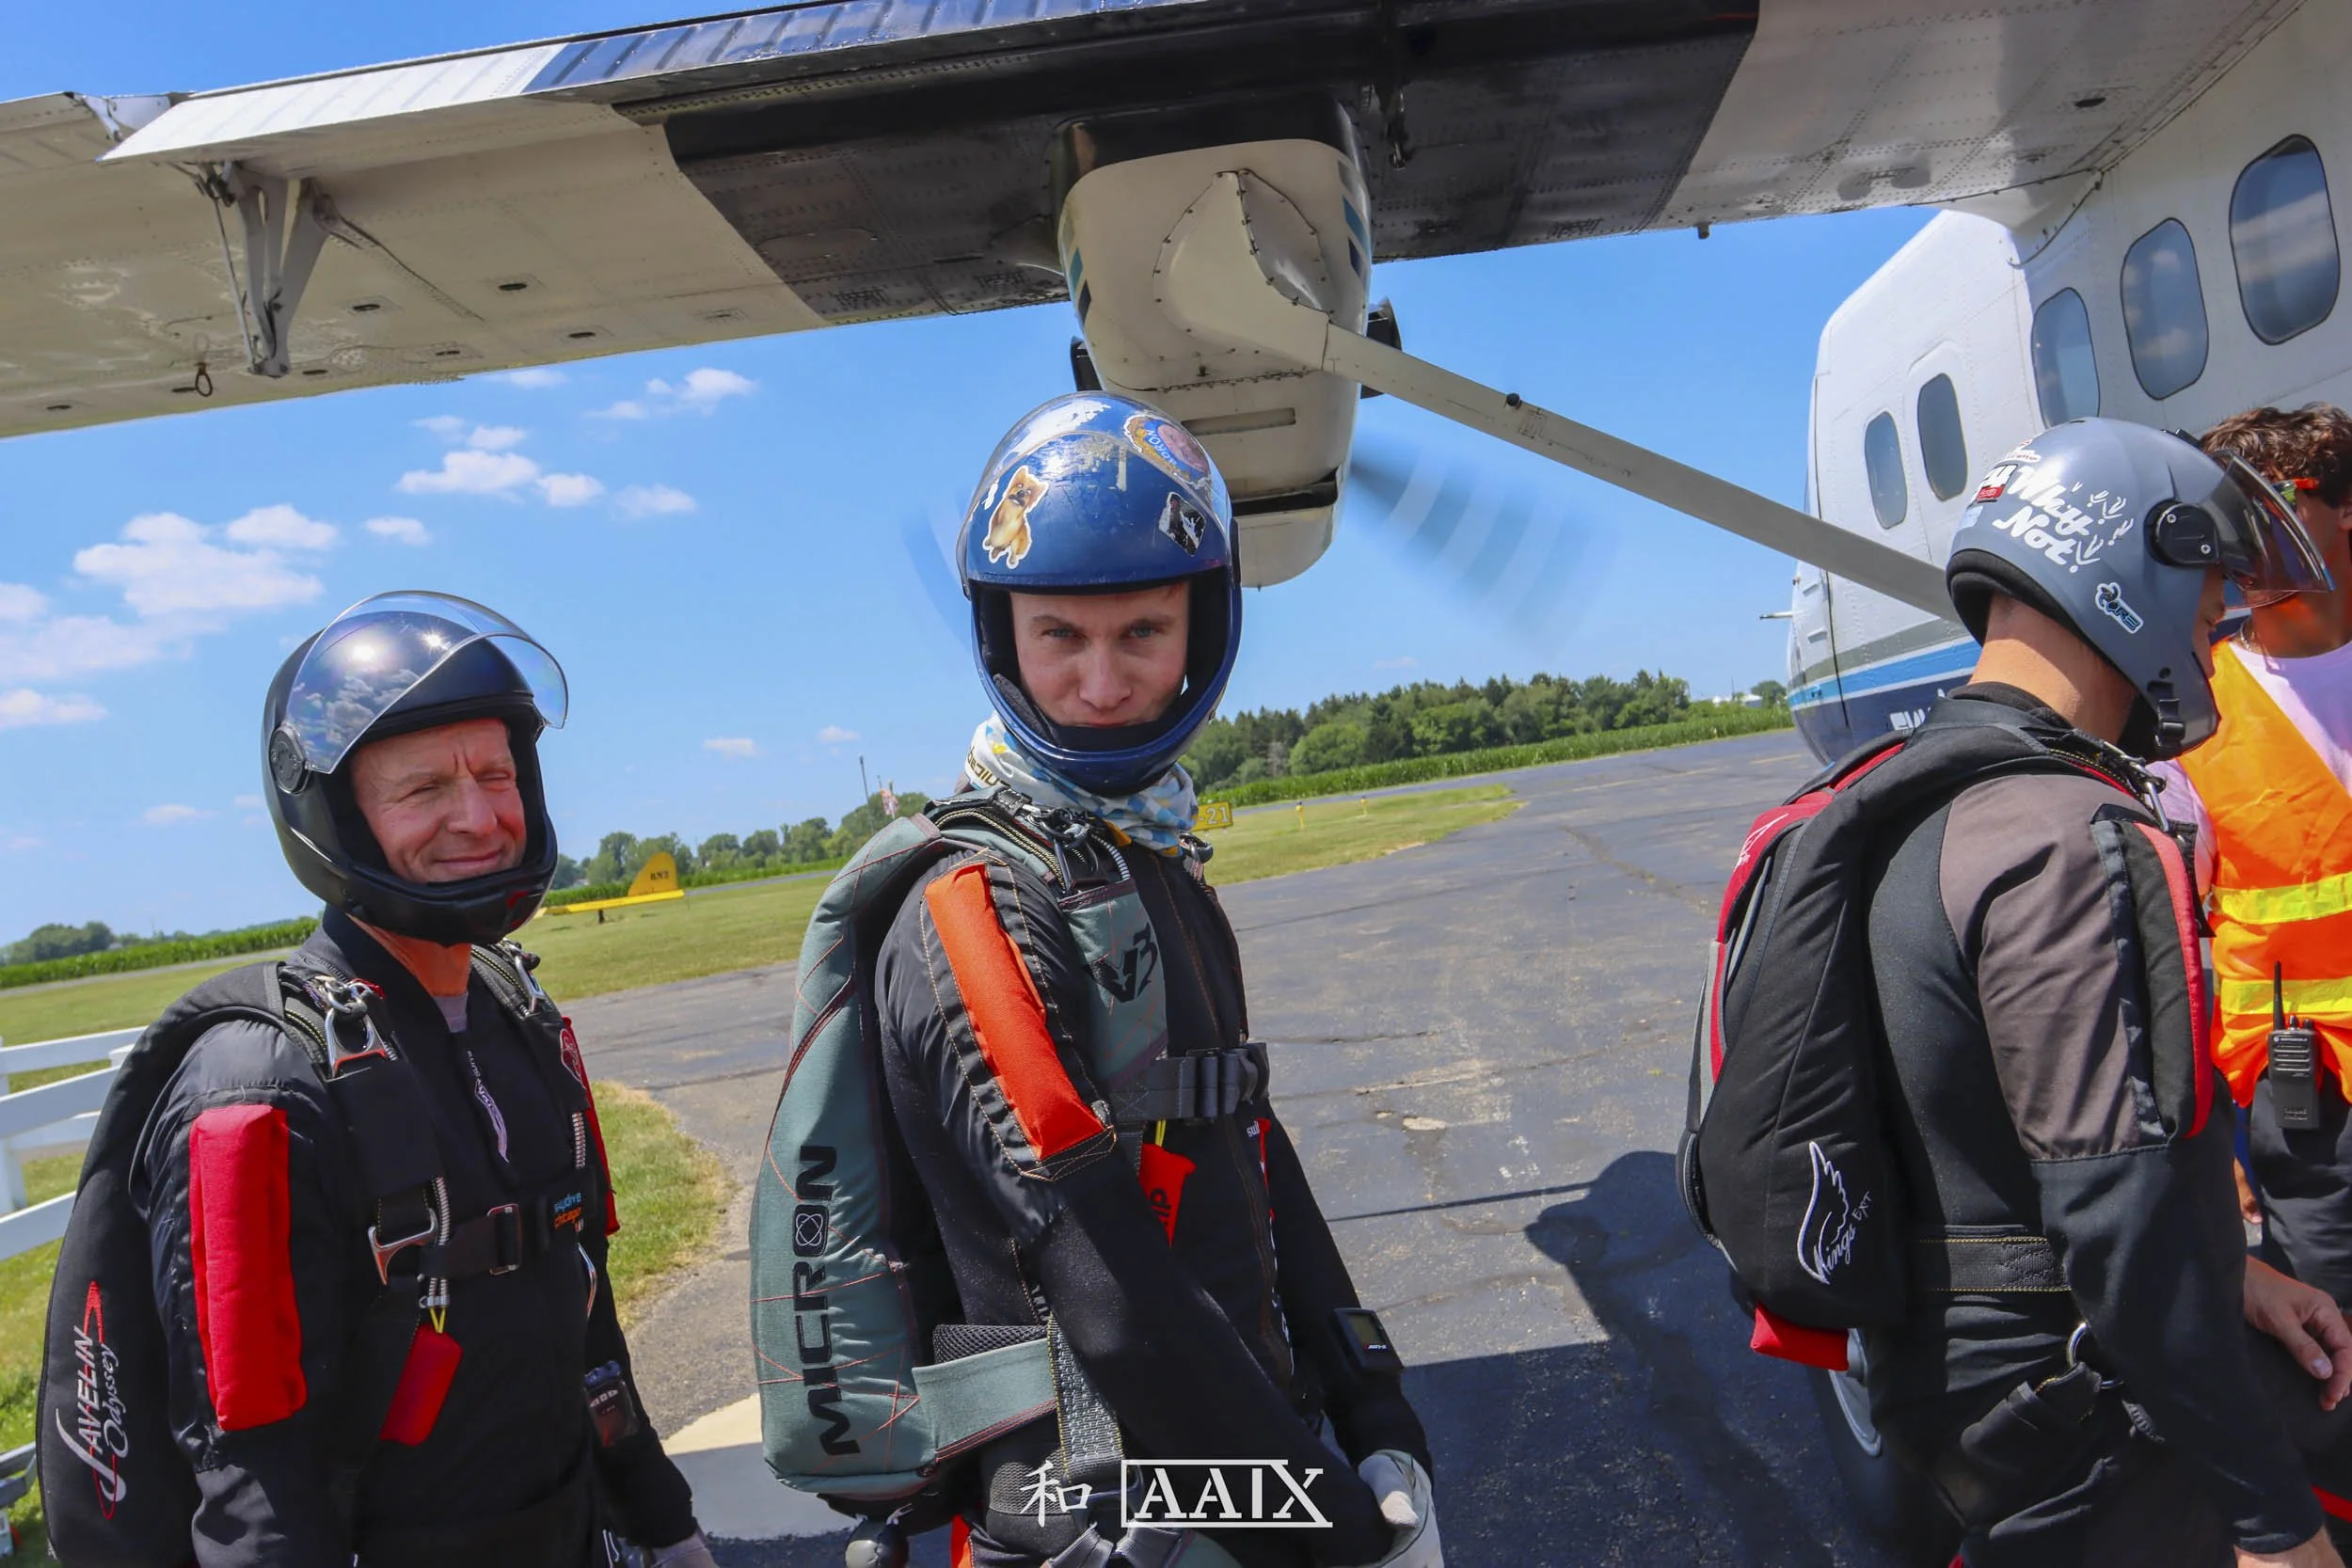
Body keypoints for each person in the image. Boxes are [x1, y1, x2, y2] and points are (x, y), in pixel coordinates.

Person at [867, 395, 1436, 1567]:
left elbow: (1248, 1138)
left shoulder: (1150, 860)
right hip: (1100, 1509)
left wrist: (1370, 1402)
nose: (1102, 682)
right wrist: (1329, 1532)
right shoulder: (976, 908)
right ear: (1003, 638)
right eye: (1060, 637)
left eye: (1142, 632)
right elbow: (1102, 1285)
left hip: (1228, 1462)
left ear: (1202, 629)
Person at [1856, 419, 2352, 1565]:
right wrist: (2274, 1529)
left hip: (1961, 1387)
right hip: (2070, 1410)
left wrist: (2231, 1264)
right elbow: (2123, 1231)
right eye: (2210, 593)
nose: (2217, 629)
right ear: (2131, 572)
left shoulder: (1924, 794)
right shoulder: (2073, 833)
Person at [140, 593, 713, 1566]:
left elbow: (588, 1324)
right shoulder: (260, 1085)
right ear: (339, 816)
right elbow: (249, 1472)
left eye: (496, 773)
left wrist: (667, 1523)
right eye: (422, 790)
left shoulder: (518, 1017)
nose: (480, 816)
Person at [2148, 405, 2352, 1302]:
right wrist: (2205, 1144)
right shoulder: (2197, 708)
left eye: (2268, 506)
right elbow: (2168, 952)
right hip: (2305, 1107)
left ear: (2343, 510)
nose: (2240, 539)